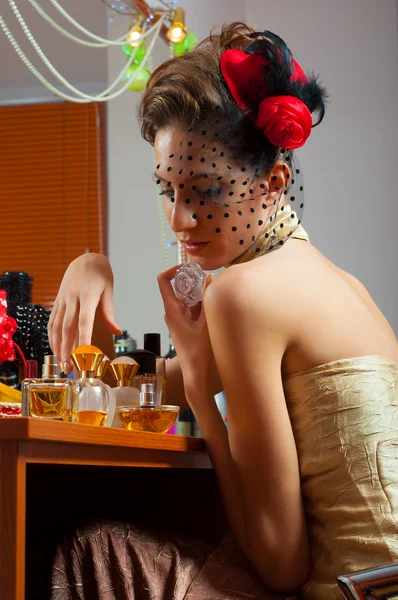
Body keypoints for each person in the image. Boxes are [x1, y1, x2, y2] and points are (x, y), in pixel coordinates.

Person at [45, 22, 398, 600]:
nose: (180, 220)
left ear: (273, 182)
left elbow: (282, 565)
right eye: (168, 189)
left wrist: (208, 403)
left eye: (205, 192)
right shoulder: (345, 287)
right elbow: (131, 391)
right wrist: (91, 264)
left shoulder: (244, 295)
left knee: (88, 547)